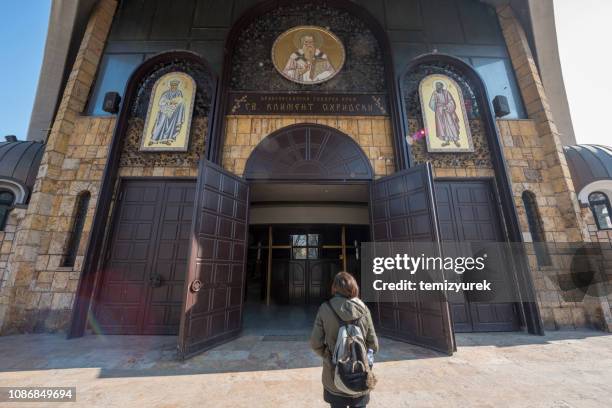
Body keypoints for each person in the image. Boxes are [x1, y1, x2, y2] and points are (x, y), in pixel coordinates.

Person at [310, 272, 379, 408]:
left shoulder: (325, 308)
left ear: (334, 288)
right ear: (354, 287)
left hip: (334, 375)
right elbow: (373, 344)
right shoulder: (364, 309)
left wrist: (329, 356)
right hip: (360, 375)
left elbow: (315, 343)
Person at [150, 79, 185, 145]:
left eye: (175, 85)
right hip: (165, 110)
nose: (174, 87)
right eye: (173, 85)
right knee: (161, 123)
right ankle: (154, 139)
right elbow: (161, 102)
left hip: (174, 111)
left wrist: (176, 103)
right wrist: (169, 102)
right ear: (171, 86)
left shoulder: (179, 93)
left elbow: (180, 101)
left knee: (172, 125)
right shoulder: (166, 93)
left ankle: (167, 139)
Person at [428, 81, 461, 147]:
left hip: (447, 110)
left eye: (439, 85)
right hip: (439, 112)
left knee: (451, 123)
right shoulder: (434, 93)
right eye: (436, 85)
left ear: (442, 86)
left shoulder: (446, 93)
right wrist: (437, 108)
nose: (437, 87)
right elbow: (431, 103)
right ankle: (446, 141)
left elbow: (451, 101)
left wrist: (446, 107)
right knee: (442, 126)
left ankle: (455, 140)